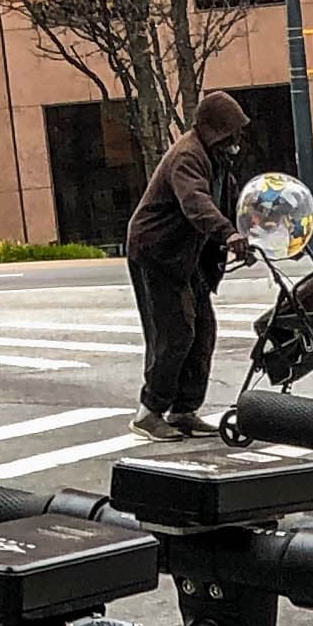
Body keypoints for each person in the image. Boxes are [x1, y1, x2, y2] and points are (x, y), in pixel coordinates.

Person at [126, 92, 249, 437]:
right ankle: (149, 412)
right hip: (157, 251)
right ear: (215, 131)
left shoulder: (216, 157)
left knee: (203, 330)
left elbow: (228, 203)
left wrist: (247, 234)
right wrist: (227, 235)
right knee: (175, 332)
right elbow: (195, 202)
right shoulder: (188, 156)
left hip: (187, 255)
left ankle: (183, 410)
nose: (237, 139)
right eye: (232, 132)